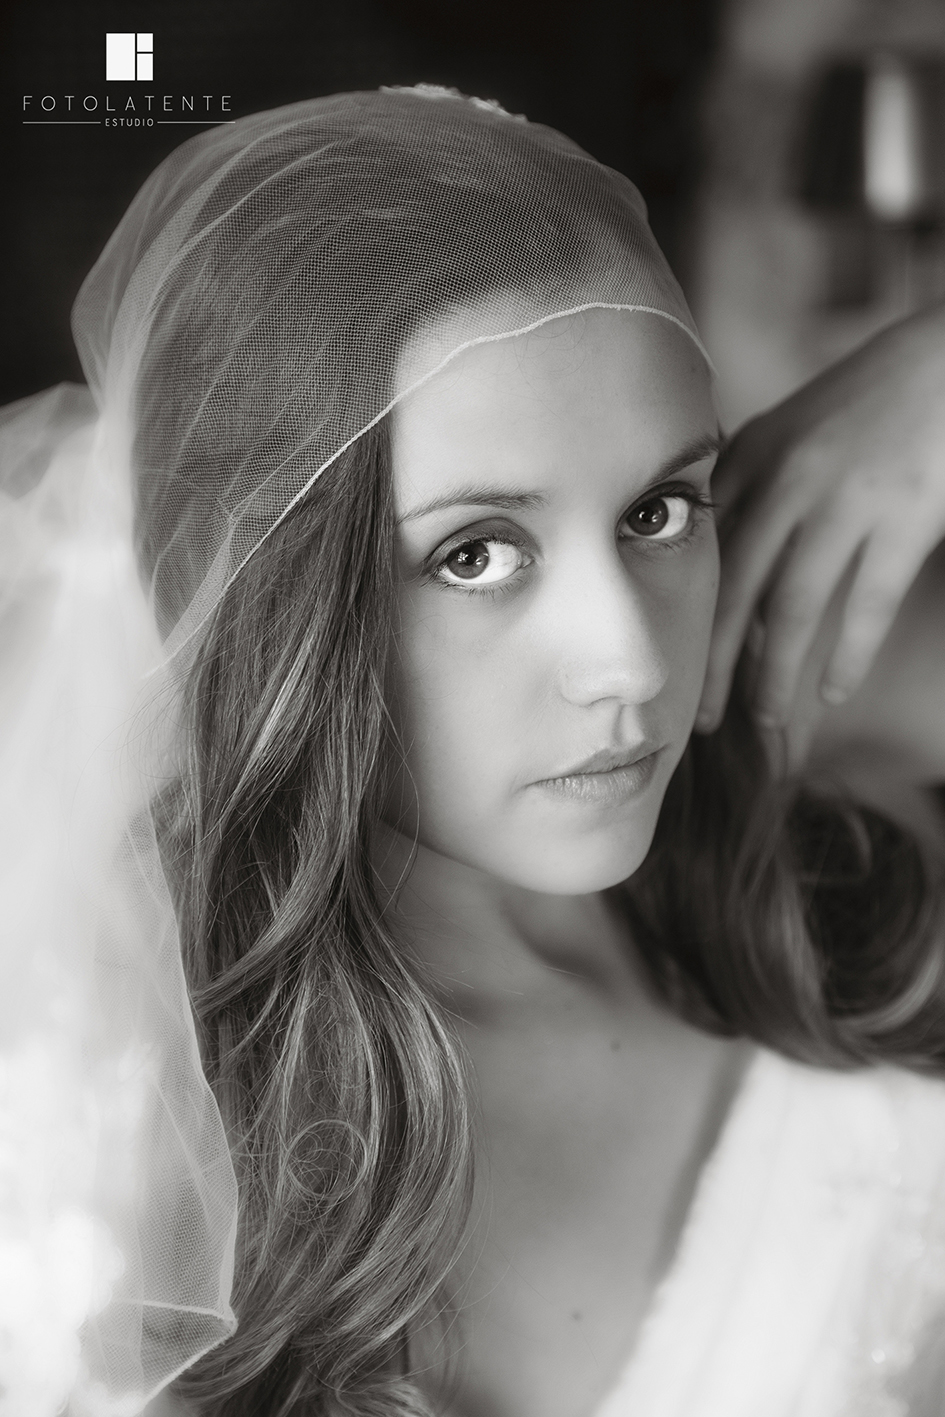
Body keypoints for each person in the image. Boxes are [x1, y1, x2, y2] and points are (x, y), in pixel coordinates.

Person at [3, 86, 945, 1417]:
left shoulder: (856, 907)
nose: (627, 661)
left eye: (659, 510)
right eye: (475, 553)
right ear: (274, 605)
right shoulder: (104, 1152)